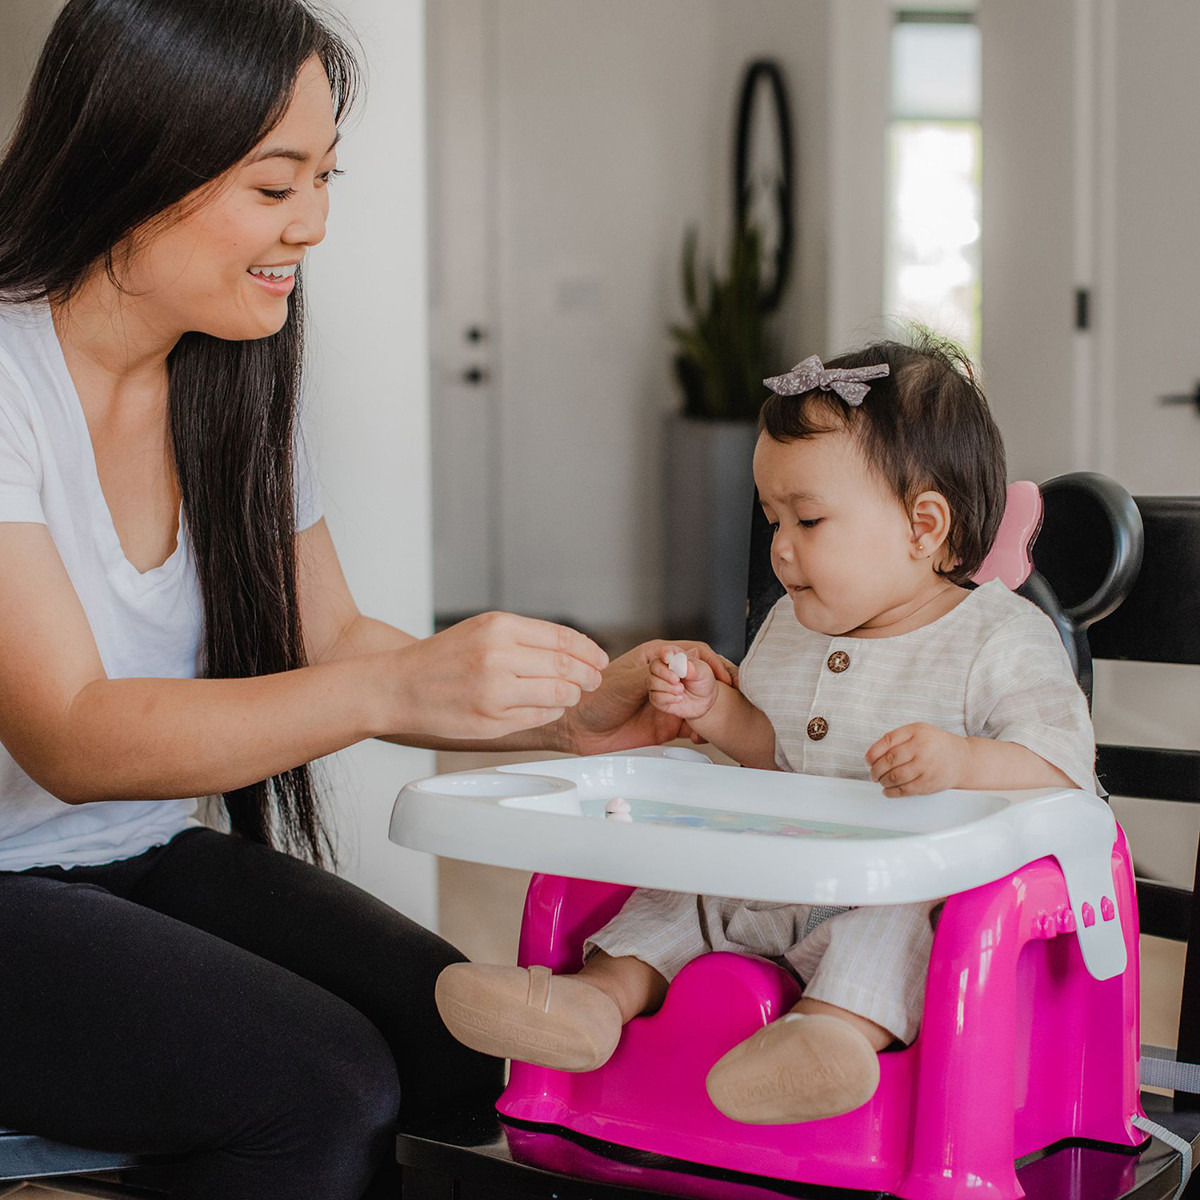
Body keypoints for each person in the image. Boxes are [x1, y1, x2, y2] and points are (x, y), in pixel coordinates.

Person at [0, 2, 730, 1197]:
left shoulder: (228, 369)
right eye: (277, 185)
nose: (317, 225)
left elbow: (330, 637)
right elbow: (71, 731)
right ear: (138, 159)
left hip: (128, 855)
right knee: (320, 1089)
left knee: (458, 1055)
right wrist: (392, 683)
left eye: (325, 178)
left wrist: (574, 716)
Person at [435, 336, 1098, 1125]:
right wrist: (714, 710)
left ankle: (829, 1039)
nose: (780, 548)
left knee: (904, 926)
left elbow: (1065, 774)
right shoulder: (792, 622)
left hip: (896, 895)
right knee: (683, 887)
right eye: (772, 516)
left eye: (809, 519)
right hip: (778, 874)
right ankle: (589, 1003)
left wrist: (963, 761)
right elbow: (772, 752)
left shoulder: (1000, 638)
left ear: (924, 526)